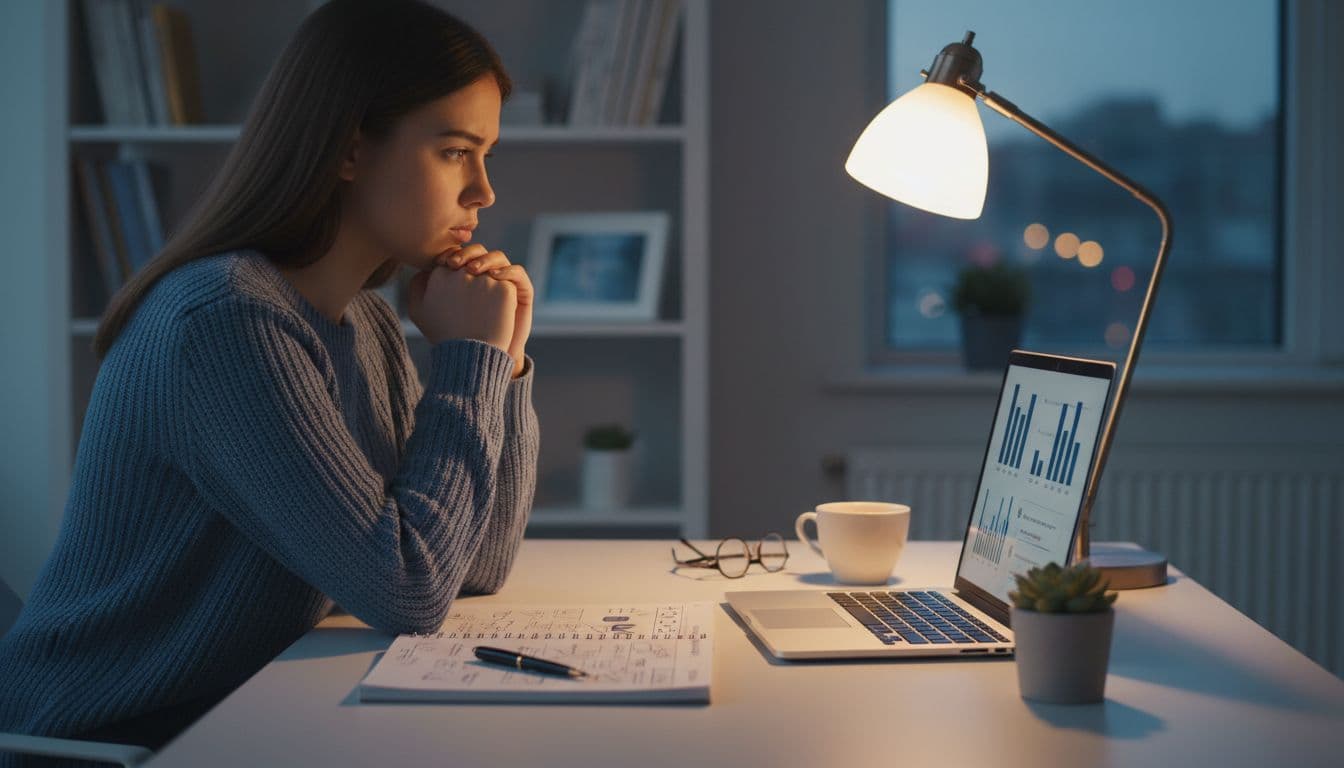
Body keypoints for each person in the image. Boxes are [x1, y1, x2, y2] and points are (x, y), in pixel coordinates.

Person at [0, 0, 538, 760]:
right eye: (455, 151)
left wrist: (502, 365)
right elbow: (409, 591)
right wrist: (470, 363)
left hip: (231, 718)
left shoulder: (366, 320)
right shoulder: (226, 323)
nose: (482, 190)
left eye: (485, 155)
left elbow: (472, 566)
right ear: (348, 149)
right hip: (105, 740)